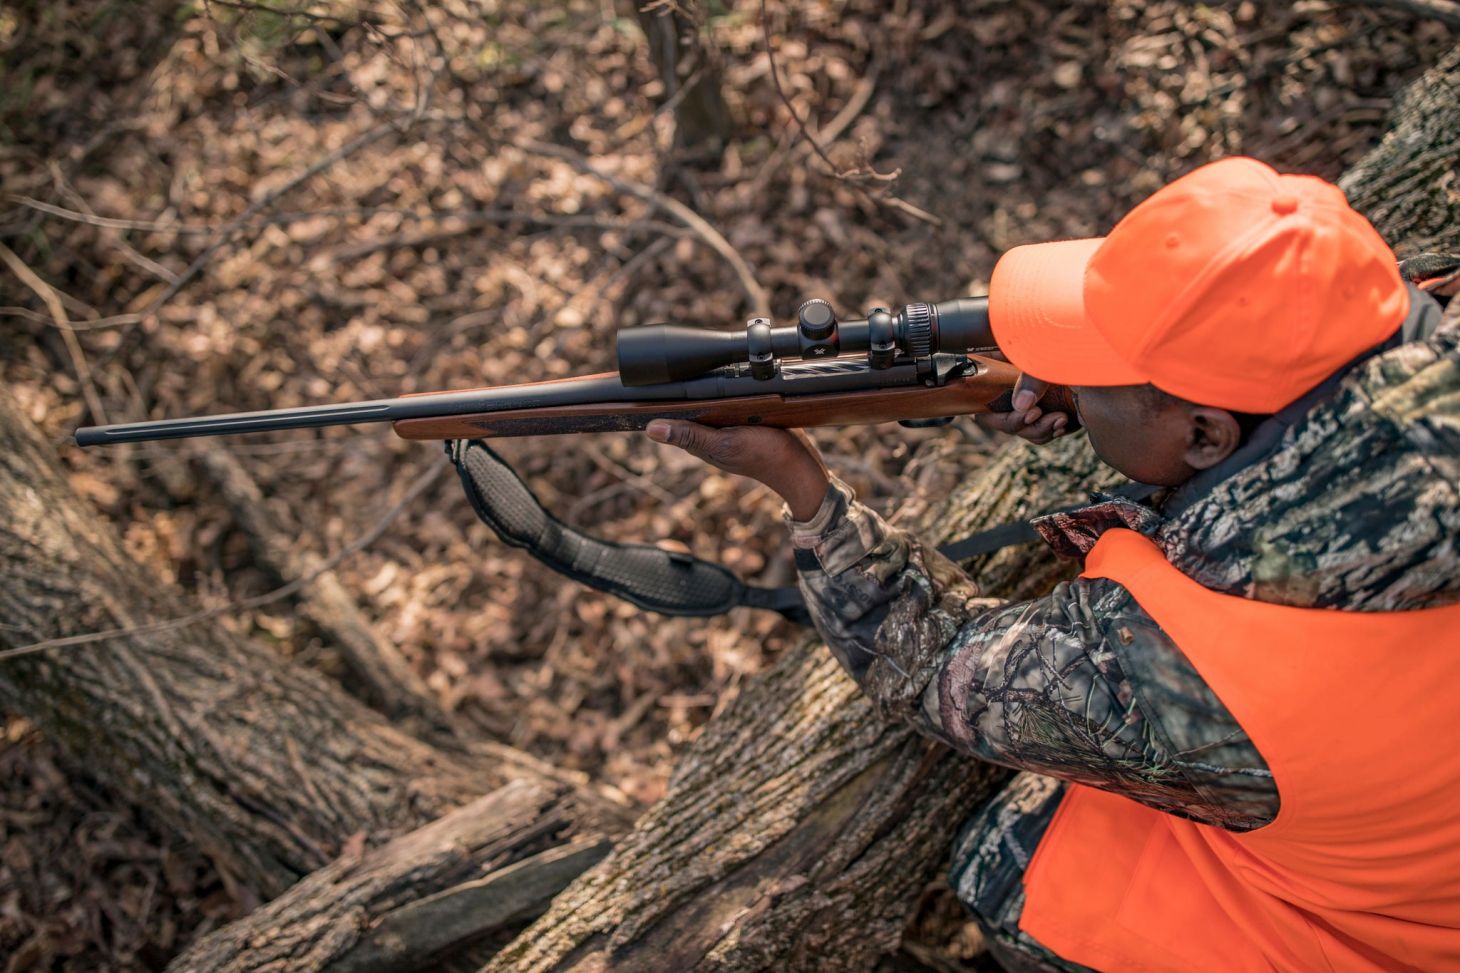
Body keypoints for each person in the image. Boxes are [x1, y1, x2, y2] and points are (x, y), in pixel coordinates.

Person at [645, 156, 1460, 971]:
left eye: (1093, 371)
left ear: (1207, 436)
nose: (1063, 376)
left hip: (1395, 933)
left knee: (1015, 867)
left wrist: (804, 488)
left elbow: (931, 661)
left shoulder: (1179, 678)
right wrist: (1104, 411)